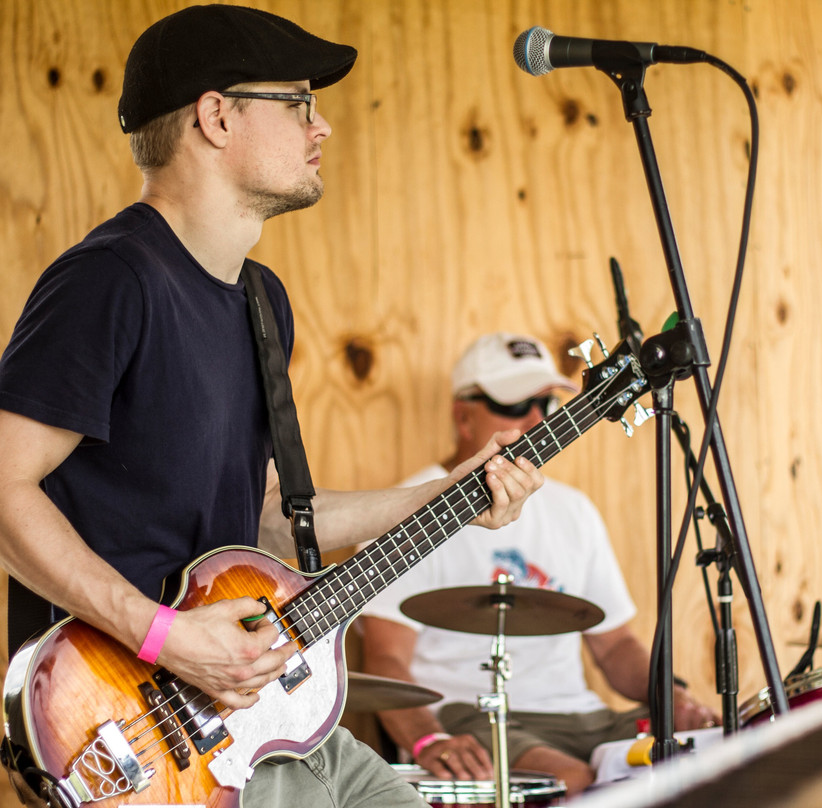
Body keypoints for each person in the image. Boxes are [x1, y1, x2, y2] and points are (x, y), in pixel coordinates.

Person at [0, 7, 542, 808]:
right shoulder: (111, 281)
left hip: (263, 717)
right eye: (297, 101)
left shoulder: (261, 302)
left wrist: (449, 495)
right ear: (216, 116)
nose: (322, 125)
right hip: (138, 738)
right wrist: (166, 636)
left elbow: (267, 525)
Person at [359, 332, 719, 796]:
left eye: (545, 405)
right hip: (471, 716)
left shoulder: (574, 511)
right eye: (514, 405)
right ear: (462, 415)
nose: (535, 419)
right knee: (572, 782)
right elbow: (385, 658)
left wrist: (673, 698)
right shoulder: (405, 509)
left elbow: (614, 648)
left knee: (712, 752)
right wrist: (430, 739)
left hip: (584, 717)